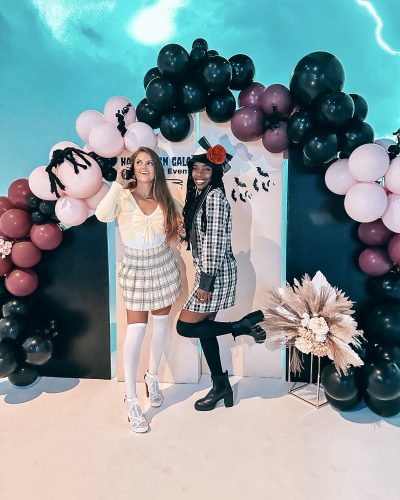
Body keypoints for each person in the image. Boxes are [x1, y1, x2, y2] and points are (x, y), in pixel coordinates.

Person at [95, 147, 182, 433]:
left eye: (149, 162)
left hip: (162, 266)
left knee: (161, 326)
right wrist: (118, 183)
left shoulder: (166, 200)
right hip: (135, 269)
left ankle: (153, 377)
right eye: (138, 162)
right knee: (135, 332)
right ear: (133, 167)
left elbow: (176, 232)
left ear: (157, 168)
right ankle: (131, 399)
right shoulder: (122, 195)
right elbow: (102, 215)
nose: (143, 166)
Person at [176, 137, 266, 411]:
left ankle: (241, 326)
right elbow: (205, 236)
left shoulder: (214, 197)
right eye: (196, 169)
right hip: (210, 271)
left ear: (215, 173)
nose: (199, 175)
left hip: (214, 275)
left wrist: (206, 282)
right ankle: (220, 386)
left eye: (206, 170)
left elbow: (215, 242)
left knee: (185, 326)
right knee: (204, 331)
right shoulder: (201, 197)